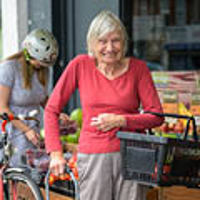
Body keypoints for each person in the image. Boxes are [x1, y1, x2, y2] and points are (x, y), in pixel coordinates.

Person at [44, 10, 164, 200]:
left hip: (132, 156)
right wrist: (56, 153)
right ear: (92, 43)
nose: (110, 47)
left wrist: (122, 120)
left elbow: (156, 116)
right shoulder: (80, 65)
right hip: (93, 156)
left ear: (123, 42)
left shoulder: (138, 69)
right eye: (102, 41)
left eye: (116, 40)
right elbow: (51, 110)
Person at [0, 29, 61, 167]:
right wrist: (25, 129)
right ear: (29, 54)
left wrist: (57, 113)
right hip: (11, 129)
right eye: (39, 62)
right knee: (12, 172)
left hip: (32, 129)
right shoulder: (8, 68)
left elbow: (42, 98)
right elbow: (1, 107)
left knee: (30, 172)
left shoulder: (43, 69)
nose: (42, 66)